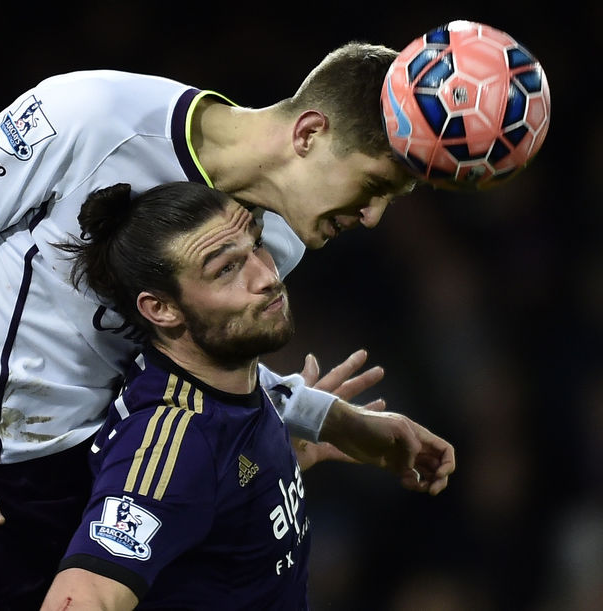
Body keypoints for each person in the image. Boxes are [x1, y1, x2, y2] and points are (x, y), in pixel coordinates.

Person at [0, 42, 421, 609]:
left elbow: (183, 372)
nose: (372, 217)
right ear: (309, 134)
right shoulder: (90, 116)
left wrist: (317, 415)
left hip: (91, 482)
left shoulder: (272, 242)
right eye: (372, 186)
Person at [39, 181, 453, 610]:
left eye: (256, 245)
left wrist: (289, 453)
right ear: (161, 309)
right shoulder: (176, 442)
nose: (266, 276)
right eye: (225, 269)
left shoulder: (233, 388)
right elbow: (83, 597)